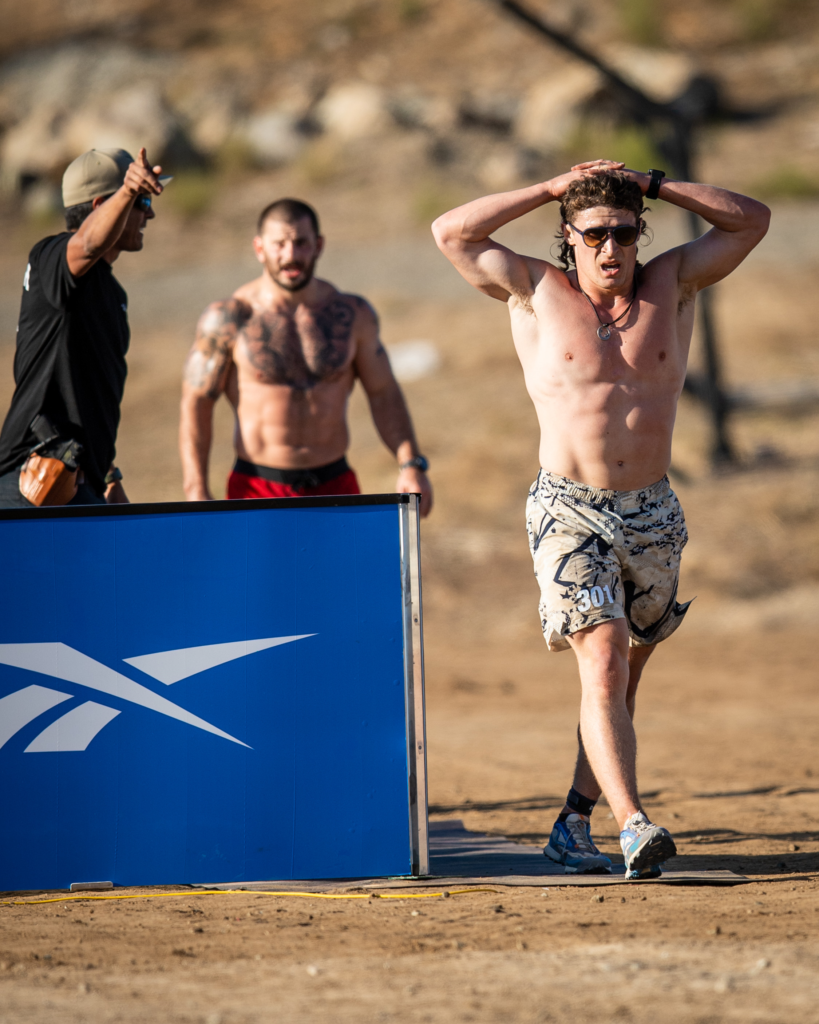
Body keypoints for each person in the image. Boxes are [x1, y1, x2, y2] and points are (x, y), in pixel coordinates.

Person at [432, 161, 769, 877]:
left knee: (618, 684)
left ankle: (571, 821)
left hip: (652, 509)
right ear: (568, 236)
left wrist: (654, 182)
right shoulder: (532, 289)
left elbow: (750, 219)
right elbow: (451, 232)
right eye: (593, 235)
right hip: (567, 507)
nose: (610, 248)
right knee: (604, 657)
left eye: (623, 233)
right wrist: (550, 186)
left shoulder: (672, 283)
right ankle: (634, 825)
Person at [179, 198, 432, 513]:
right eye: (279, 244)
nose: (290, 255)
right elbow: (196, 402)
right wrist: (196, 488)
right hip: (256, 487)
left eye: (301, 243)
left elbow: (383, 393)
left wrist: (411, 464)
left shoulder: (352, 314)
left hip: (335, 483)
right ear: (259, 248)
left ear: (318, 246)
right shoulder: (230, 318)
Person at [0, 147, 166, 508]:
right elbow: (87, 244)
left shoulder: (111, 292)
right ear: (100, 207)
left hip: (77, 479)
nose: (148, 214)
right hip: (38, 481)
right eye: (142, 202)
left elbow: (85, 398)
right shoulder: (51, 256)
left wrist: (107, 474)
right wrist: (126, 191)